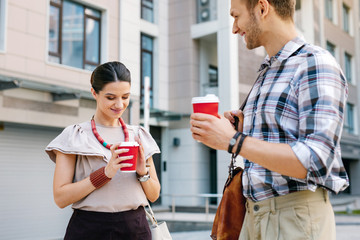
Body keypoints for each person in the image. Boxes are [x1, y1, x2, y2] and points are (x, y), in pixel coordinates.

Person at [190, 0, 349, 239]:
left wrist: (234, 140)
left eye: (236, 16)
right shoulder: (267, 71)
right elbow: (280, 141)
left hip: (294, 219)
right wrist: (247, 128)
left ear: (262, 8)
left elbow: (317, 160)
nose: (234, 28)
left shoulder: (314, 62)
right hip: (254, 216)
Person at [46, 61, 161, 240]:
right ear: (94, 93)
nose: (119, 104)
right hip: (89, 229)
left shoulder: (138, 135)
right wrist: (105, 174)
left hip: (135, 228)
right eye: (110, 97)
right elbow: (60, 198)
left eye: (125, 97)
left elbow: (154, 195)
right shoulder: (75, 135)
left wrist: (142, 172)